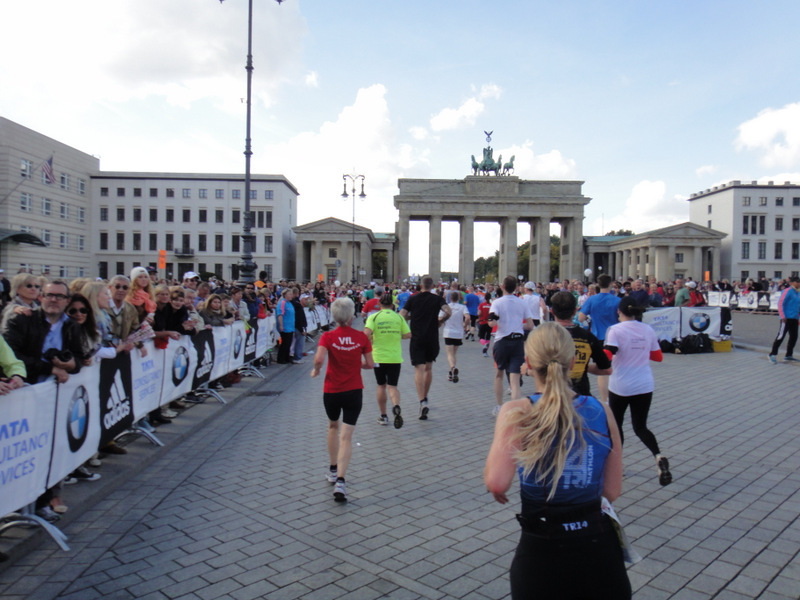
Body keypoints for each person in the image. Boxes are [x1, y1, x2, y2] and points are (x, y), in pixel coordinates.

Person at [484, 323, 629, 600]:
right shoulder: (602, 411)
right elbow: (611, 491)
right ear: (573, 363)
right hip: (597, 548)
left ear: (527, 363)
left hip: (542, 550)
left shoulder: (516, 411)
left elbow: (497, 480)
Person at [311, 297, 374, 502]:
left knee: (332, 427)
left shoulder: (328, 336)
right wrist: (357, 364)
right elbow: (370, 364)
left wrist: (316, 369)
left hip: (332, 389)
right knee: (346, 436)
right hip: (353, 389)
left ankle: (332, 467)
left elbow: (319, 358)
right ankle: (341, 480)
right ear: (351, 315)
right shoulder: (361, 337)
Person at [605, 297, 672, 487]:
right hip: (644, 384)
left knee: (616, 427)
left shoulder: (615, 330)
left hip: (621, 385)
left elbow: (608, 355)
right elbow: (658, 357)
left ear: (619, 312)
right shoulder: (647, 329)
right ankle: (658, 456)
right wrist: (640, 350)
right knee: (640, 426)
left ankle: (618, 466)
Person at [400, 275, 451, 420]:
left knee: (419, 369)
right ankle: (426, 397)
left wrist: (412, 317)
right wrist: (441, 320)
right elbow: (449, 311)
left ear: (420, 285)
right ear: (432, 285)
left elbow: (402, 314)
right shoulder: (437, 299)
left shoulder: (413, 298)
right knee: (429, 368)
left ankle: (422, 401)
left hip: (417, 338)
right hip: (432, 338)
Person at [549, 291, 612, 397]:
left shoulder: (541, 335)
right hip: (581, 397)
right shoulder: (587, 337)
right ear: (575, 311)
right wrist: (582, 366)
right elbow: (606, 369)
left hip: (550, 397)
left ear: (552, 311)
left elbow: (535, 367)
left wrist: (526, 371)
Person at [364, 291, 411, 428]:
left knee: (381, 385)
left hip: (378, 357)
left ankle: (383, 415)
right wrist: (397, 335)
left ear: (379, 304)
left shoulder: (374, 317)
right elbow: (408, 334)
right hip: (395, 357)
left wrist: (372, 339)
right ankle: (396, 406)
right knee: (392, 386)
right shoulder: (399, 318)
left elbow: (366, 334)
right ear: (392, 304)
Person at [488, 276, 534, 416]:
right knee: (514, 380)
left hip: (502, 341)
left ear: (502, 286)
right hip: (517, 341)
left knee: (499, 375)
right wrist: (518, 325)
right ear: (515, 288)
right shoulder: (522, 302)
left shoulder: (497, 303)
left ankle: (499, 406)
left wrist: (500, 321)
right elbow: (530, 325)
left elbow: (491, 323)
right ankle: (515, 410)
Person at [578, 274, 620, 403]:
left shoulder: (592, 300)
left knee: (602, 369)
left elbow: (580, 318)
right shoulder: (617, 300)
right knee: (616, 367)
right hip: (615, 337)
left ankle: (605, 400)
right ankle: (617, 395)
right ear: (611, 284)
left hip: (598, 336)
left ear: (598, 284)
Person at [768, 276, 800, 364]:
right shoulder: (787, 291)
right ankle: (772, 354)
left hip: (794, 318)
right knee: (781, 336)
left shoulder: (798, 292)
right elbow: (781, 303)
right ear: (792, 283)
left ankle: (788, 355)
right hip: (786, 318)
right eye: (798, 282)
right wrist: (782, 316)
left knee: (794, 337)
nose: (799, 284)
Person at [441, 290, 470, 383]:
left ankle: (452, 368)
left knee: (449, 354)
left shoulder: (446, 307)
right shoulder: (462, 307)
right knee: (454, 353)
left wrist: (443, 322)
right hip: (458, 332)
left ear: (450, 298)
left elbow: (439, 318)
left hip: (448, 332)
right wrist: (465, 325)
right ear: (458, 298)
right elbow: (468, 317)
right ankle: (451, 372)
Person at [275, 288, 295, 364]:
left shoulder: (290, 303)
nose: (291, 296)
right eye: (289, 294)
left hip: (291, 326)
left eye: (291, 294)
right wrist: (281, 325)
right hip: (285, 326)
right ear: (285, 295)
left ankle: (287, 357)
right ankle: (281, 359)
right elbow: (280, 314)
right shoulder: (282, 303)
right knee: (284, 343)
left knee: (288, 343)